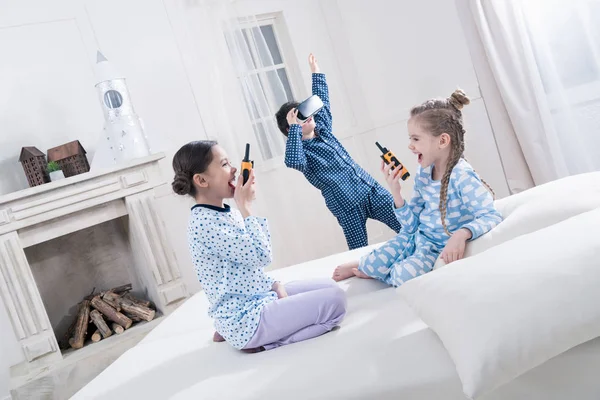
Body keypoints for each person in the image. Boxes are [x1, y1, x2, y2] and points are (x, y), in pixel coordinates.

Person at [172, 140, 347, 352]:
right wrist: (246, 206)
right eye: (225, 164)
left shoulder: (226, 213)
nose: (235, 168)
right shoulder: (205, 224)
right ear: (201, 180)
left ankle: (230, 328)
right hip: (247, 318)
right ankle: (262, 341)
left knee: (330, 287)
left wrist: (274, 285)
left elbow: (248, 267)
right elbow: (262, 256)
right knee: (336, 302)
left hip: (258, 297)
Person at [333, 90, 503, 286]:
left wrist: (462, 234)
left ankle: (379, 270)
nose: (410, 146)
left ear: (442, 141)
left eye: (416, 139)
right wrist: (396, 194)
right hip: (416, 237)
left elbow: (491, 215)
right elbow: (411, 226)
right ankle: (368, 266)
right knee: (372, 263)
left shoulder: (462, 176)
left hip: (433, 246)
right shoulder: (424, 173)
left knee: (401, 277)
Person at [275, 53, 401, 250]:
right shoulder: (302, 153)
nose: (306, 116)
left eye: (304, 111)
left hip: (369, 188)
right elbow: (293, 161)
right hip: (347, 207)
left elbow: (322, 99)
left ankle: (429, 245)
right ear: (291, 129)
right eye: (299, 117)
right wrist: (296, 127)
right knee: (358, 251)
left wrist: (316, 72)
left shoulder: (323, 128)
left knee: (406, 221)